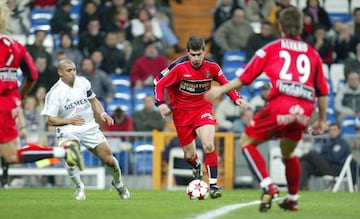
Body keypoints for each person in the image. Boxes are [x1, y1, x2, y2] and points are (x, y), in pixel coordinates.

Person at [205, 7, 329, 211]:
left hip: (281, 104)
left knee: (246, 141)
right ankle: (292, 198)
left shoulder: (273, 48)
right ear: (300, 28)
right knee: (288, 152)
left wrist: (220, 90)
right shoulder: (313, 53)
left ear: (280, 27)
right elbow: (322, 91)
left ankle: (268, 186)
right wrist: (322, 120)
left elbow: (246, 77)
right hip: (304, 109)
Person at [153, 35, 246, 199]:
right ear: (188, 52)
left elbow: (225, 82)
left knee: (208, 145)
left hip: (203, 110)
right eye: (193, 55)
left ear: (204, 52)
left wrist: (235, 97)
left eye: (199, 54)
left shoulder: (213, 67)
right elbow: (158, 82)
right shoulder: (178, 67)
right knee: (189, 155)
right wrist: (160, 103)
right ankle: (196, 165)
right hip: (181, 114)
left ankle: (214, 185)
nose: (196, 58)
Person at [0, 2, 83, 176]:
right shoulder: (16, 46)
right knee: (10, 156)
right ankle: (62, 152)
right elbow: (32, 76)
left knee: (11, 155)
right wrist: (18, 96)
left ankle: (63, 152)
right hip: (8, 102)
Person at [41, 59, 130, 201]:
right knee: (71, 158)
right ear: (60, 72)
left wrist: (103, 113)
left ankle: (119, 184)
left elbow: (93, 100)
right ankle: (79, 188)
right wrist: (69, 120)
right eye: (68, 70)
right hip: (68, 129)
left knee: (109, 160)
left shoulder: (83, 82)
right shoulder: (54, 93)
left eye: (74, 69)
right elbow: (50, 119)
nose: (72, 73)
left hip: (89, 126)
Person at [300, 123, 358, 191]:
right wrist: (324, 157)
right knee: (305, 164)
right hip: (325, 167)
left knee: (312, 154)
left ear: (339, 131)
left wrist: (324, 156)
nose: (332, 132)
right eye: (330, 130)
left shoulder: (343, 143)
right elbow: (324, 155)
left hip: (336, 170)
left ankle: (295, 160)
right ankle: (297, 190)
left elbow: (335, 158)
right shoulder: (328, 142)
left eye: (334, 130)